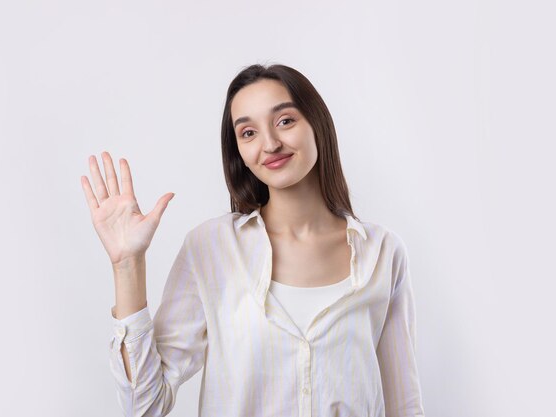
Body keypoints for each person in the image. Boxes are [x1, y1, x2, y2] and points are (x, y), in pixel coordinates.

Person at [81, 64, 425, 417]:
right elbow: (144, 405)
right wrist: (127, 264)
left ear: (317, 124)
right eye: (248, 132)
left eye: (285, 121)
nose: (271, 143)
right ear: (239, 153)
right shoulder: (210, 247)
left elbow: (404, 406)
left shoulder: (383, 252)